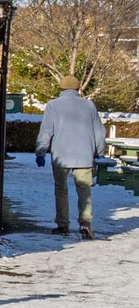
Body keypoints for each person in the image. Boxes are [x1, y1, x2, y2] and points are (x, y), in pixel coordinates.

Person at [36, 75, 105, 238]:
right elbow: (99, 132)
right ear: (77, 89)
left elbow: (46, 131)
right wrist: (99, 152)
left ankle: (62, 224)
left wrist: (41, 151)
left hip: (61, 154)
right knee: (84, 190)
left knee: (61, 189)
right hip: (84, 155)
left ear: (61, 89)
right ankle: (85, 223)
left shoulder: (53, 105)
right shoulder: (89, 105)